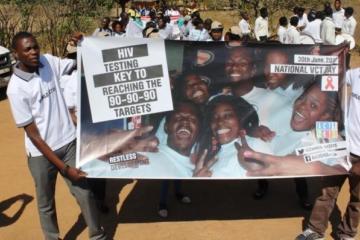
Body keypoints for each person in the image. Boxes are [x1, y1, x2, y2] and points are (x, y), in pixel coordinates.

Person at [6, 32, 107, 240]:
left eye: (35, 46)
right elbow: (34, 136)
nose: (34, 52)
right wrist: (64, 168)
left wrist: (83, 45)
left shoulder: (47, 61)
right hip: (41, 155)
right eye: (28, 49)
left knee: (85, 194)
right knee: (46, 204)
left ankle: (97, 236)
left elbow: (78, 64)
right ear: (16, 54)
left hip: (69, 143)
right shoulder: (15, 89)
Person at [295, 67, 360, 240]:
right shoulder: (356, 74)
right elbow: (331, 79)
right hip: (340, 147)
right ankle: (315, 230)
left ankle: (347, 234)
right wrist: (324, 57)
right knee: (326, 192)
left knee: (358, 199)